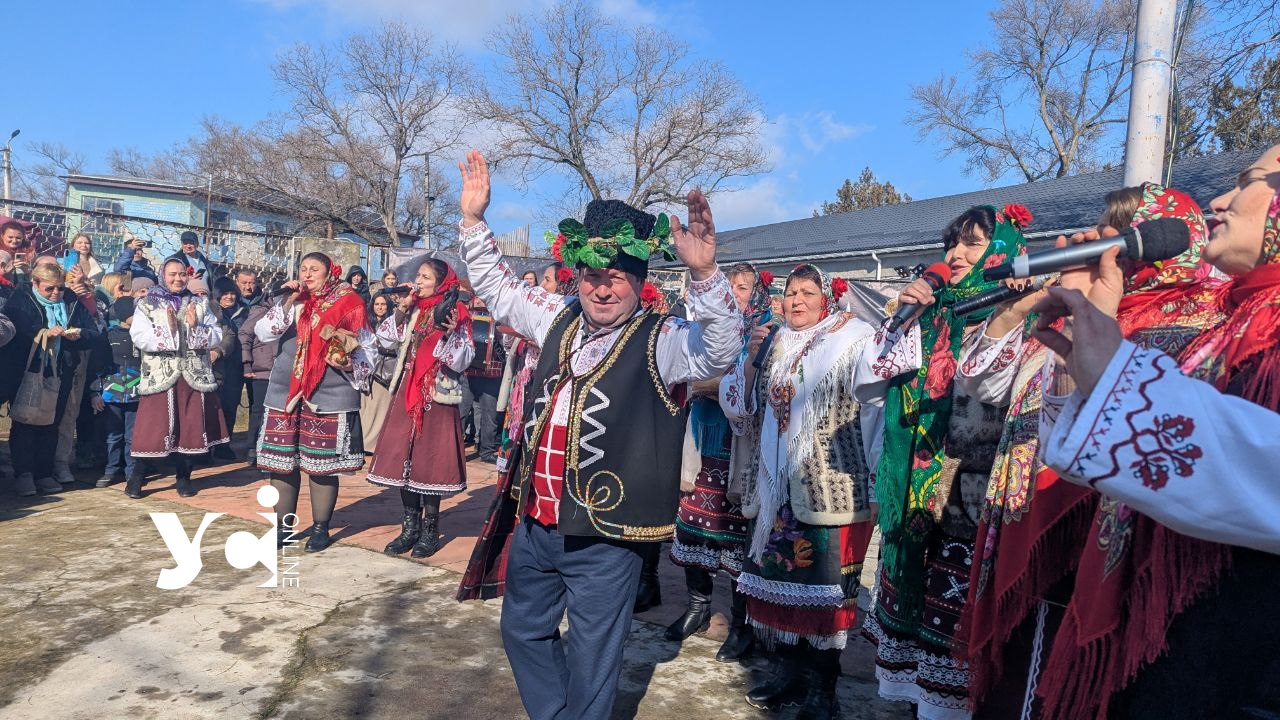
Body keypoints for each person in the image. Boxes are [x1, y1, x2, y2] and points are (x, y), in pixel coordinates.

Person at [454, 150, 742, 720]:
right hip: (537, 522)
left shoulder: (665, 337)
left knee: (592, 661)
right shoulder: (556, 315)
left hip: (608, 538)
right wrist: (472, 220)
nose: (602, 290)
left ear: (638, 283)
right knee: (522, 632)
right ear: (577, 274)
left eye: (617, 279)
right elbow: (498, 285)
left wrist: (706, 275)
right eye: (592, 276)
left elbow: (722, 348)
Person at [951, 184, 1224, 716]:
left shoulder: (1205, 321)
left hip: (1099, 547)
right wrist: (1031, 309)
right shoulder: (1080, 311)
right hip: (1028, 533)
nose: (1107, 250)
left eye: (1120, 238)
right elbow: (982, 386)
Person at [1027, 147, 1280, 718]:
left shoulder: (1229, 318)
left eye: (1248, 182)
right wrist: (1096, 369)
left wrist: (1118, 380)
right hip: (1187, 634)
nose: (1219, 199)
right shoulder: (1238, 320)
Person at [857, 205, 1029, 720]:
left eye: (972, 244)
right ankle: (916, 706)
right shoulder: (928, 313)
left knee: (954, 632)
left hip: (969, 496)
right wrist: (898, 317)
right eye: (952, 243)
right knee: (915, 631)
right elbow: (869, 382)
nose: (955, 255)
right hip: (913, 488)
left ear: (1002, 251)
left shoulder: (1022, 313)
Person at [716, 264, 879, 716]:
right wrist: (750, 362)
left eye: (808, 292)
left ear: (825, 298)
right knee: (776, 584)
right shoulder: (774, 341)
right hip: (777, 487)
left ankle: (822, 688)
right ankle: (786, 673)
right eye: (791, 292)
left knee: (826, 594)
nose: (798, 300)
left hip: (830, 485)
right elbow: (744, 411)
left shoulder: (852, 338)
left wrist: (878, 477)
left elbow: (875, 405)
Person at [665, 263, 771, 663]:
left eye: (742, 288)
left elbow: (755, 387)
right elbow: (691, 377)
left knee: (738, 540)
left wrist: (712, 385)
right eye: (730, 287)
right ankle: (697, 608)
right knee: (693, 527)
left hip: (744, 449)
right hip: (704, 442)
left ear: (756, 293)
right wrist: (711, 384)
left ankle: (742, 626)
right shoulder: (707, 331)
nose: (735, 294)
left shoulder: (766, 332)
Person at [254, 253, 373, 552]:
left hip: (330, 391)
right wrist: (287, 301)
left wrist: (347, 362)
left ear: (330, 273)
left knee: (322, 465)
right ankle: (284, 528)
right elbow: (263, 332)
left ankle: (321, 527)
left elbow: (367, 349)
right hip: (286, 390)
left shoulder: (350, 302)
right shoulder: (295, 302)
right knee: (283, 463)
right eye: (303, 269)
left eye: (314, 269)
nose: (307, 274)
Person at [366, 258, 473, 558]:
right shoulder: (413, 309)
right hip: (408, 391)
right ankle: (409, 528)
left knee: (429, 462)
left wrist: (451, 335)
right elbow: (385, 337)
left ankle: (429, 530)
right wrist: (402, 307)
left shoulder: (456, 312)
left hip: (436, 395)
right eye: (418, 276)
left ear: (440, 282)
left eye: (425, 277)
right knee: (404, 458)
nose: (419, 281)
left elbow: (464, 359)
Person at [129, 259, 230, 498]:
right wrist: (170, 330)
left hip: (193, 374)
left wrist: (195, 327)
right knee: (152, 430)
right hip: (161, 375)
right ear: (163, 275)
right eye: (173, 274)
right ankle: (137, 476)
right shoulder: (146, 304)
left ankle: (184, 478)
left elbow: (216, 335)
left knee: (190, 429)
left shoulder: (201, 303)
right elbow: (139, 336)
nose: (178, 279)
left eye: (182, 274)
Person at [4, 263, 99, 496]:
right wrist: (45, 333)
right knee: (25, 420)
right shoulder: (21, 300)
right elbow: (15, 332)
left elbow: (94, 332)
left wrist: (78, 336)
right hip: (28, 370)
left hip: (61, 371)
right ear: (35, 284)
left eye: (59, 288)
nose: (56, 294)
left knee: (51, 421)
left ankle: (44, 472)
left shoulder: (71, 301)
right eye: (49, 289)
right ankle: (24, 472)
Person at [92, 298, 142, 488]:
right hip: (111, 395)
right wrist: (95, 393)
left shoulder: (141, 336)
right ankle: (111, 469)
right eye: (134, 313)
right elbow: (96, 367)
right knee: (113, 435)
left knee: (133, 435)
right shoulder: (108, 336)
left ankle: (132, 471)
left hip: (137, 393)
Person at [240, 279, 280, 465]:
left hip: (282, 371)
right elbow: (244, 335)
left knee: (277, 412)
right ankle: (253, 448)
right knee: (258, 411)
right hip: (261, 370)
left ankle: (272, 448)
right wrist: (247, 363)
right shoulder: (261, 312)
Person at [461, 294, 505, 463]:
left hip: (491, 373)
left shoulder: (500, 317)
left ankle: (486, 451)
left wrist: (500, 335)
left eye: (483, 298)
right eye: (477, 298)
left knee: (489, 415)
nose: (480, 301)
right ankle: (455, 449)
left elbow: (506, 346)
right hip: (469, 372)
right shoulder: (467, 316)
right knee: (461, 413)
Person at [209, 277, 247, 461]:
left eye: (232, 293)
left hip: (235, 367)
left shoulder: (243, 312)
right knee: (214, 408)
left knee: (230, 407)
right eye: (225, 293)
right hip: (215, 368)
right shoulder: (211, 311)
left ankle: (225, 446)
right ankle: (210, 447)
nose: (229, 297)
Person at [359, 290, 401, 453]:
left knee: (380, 409)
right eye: (377, 304)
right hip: (366, 371)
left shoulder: (393, 323)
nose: (380, 307)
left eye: (383, 304)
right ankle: (363, 443)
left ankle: (374, 445)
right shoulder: (366, 322)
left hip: (384, 373)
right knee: (366, 408)